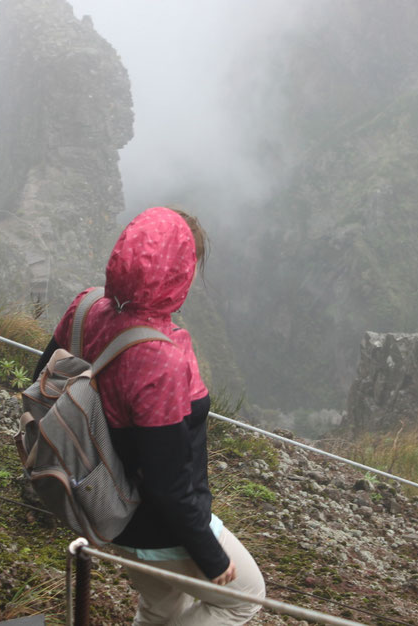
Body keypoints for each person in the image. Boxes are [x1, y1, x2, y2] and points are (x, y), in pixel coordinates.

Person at [33, 206, 265, 624]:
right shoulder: (160, 359)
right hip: (162, 529)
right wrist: (209, 556)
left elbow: (44, 382)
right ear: (179, 271)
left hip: (107, 505)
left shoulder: (85, 308)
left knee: (161, 608)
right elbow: (167, 483)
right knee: (245, 598)